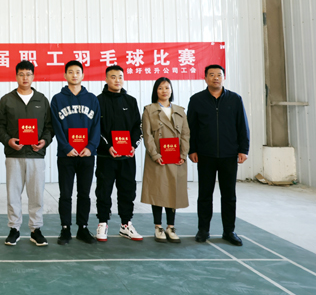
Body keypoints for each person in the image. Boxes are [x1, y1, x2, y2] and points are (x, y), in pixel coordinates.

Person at [188, 65, 250, 246]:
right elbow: (191, 127)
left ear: (224, 77)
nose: (215, 78)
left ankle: (229, 231)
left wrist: (243, 149)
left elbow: (242, 126)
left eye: (219, 75)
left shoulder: (235, 99)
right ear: (205, 78)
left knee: (229, 195)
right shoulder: (197, 100)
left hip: (229, 155)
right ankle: (203, 230)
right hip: (205, 155)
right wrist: (192, 149)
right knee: (204, 195)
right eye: (211, 75)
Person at [0, 60, 54, 247]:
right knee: (13, 195)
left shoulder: (41, 100)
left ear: (33, 76)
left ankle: (36, 229)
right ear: (16, 76)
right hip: (14, 155)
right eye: (21, 74)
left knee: (36, 195)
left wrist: (44, 141)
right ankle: (14, 229)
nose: (25, 78)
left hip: (36, 156)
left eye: (28, 74)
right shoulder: (7, 100)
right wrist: (8, 141)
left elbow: (49, 127)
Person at [50, 60, 100, 245]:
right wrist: (66, 147)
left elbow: (97, 126)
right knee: (65, 194)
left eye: (77, 72)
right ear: (65, 75)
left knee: (84, 194)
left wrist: (91, 147)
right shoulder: (57, 99)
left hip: (87, 154)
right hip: (66, 155)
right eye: (70, 72)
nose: (74, 75)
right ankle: (65, 228)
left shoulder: (92, 99)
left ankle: (83, 228)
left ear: (83, 75)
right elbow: (56, 126)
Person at [95, 65, 143, 242]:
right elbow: (95, 128)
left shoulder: (131, 101)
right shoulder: (98, 101)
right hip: (105, 157)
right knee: (103, 191)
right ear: (106, 79)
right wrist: (107, 146)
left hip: (127, 157)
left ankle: (126, 224)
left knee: (127, 191)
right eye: (113, 76)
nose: (117, 80)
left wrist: (133, 146)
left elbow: (138, 127)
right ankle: (102, 223)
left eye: (120, 76)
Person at [140, 77, 190, 244]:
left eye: (167, 88)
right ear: (156, 91)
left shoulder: (180, 111)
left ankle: (171, 227)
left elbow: (186, 134)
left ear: (171, 90)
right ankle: (158, 227)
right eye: (160, 88)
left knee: (173, 192)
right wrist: (155, 155)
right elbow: (147, 135)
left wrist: (183, 155)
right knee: (157, 192)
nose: (164, 91)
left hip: (176, 159)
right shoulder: (149, 110)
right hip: (158, 159)